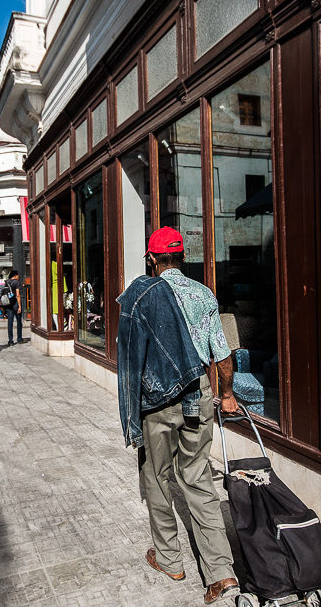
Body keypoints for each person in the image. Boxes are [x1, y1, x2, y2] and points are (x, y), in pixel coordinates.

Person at [116, 226, 240, 605]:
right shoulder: (203, 294)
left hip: (158, 402)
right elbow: (222, 354)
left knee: (156, 477)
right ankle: (222, 575)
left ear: (152, 259)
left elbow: (132, 358)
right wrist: (228, 393)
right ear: (182, 255)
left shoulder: (147, 296)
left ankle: (170, 559)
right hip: (198, 395)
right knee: (198, 479)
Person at [0, 271, 22, 346]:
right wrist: (19, 306)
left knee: (10, 322)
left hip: (8, 304)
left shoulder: (6, 282)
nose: (18, 277)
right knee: (18, 321)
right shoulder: (16, 282)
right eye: (18, 275)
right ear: (15, 275)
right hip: (15, 303)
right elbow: (17, 295)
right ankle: (19, 338)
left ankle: (10, 340)